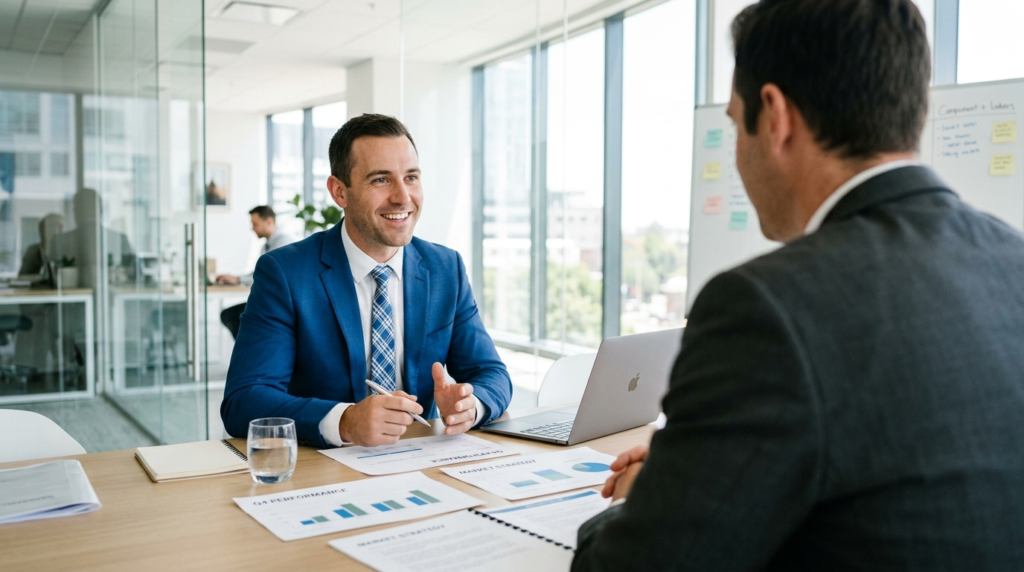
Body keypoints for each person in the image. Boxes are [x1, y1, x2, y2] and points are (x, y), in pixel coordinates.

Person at [573, 0, 1024, 569]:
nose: (737, 152)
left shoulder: (764, 307)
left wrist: (648, 494)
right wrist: (700, 465)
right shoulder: (1013, 260)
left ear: (776, 117)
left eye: (736, 124)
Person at [221, 114, 512, 448]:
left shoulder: (445, 268)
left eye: (411, 177)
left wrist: (468, 406)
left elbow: (493, 375)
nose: (403, 197)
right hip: (321, 472)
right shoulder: (285, 273)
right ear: (340, 192)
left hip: (421, 462)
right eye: (381, 180)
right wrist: (344, 421)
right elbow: (243, 401)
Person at [215, 206, 297, 339]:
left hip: (279, 304)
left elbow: (268, 274)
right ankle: (248, 349)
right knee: (229, 315)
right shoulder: (268, 245)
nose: (252, 228)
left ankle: (248, 350)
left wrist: (238, 280)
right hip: (270, 300)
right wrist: (237, 278)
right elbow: (260, 272)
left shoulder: (282, 243)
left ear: (269, 222)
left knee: (231, 315)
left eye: (255, 224)